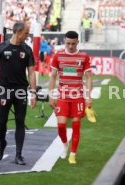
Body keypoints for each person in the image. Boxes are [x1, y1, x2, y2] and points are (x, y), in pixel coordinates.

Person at [0, 21, 37, 165]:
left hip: (20, 90)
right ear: (18, 32)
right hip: (4, 90)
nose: (27, 35)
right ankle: (2, 144)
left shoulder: (27, 49)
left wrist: (33, 93)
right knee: (1, 122)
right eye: (26, 33)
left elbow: (31, 73)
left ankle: (19, 155)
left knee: (20, 122)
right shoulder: (1, 47)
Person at [49, 31, 92, 164]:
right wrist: (51, 95)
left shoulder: (84, 56)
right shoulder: (58, 55)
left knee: (76, 125)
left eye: (73, 43)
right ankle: (65, 145)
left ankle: (73, 154)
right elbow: (53, 76)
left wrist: (88, 96)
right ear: (64, 42)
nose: (70, 46)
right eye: (68, 43)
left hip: (78, 97)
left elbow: (89, 77)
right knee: (61, 126)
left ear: (77, 42)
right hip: (62, 96)